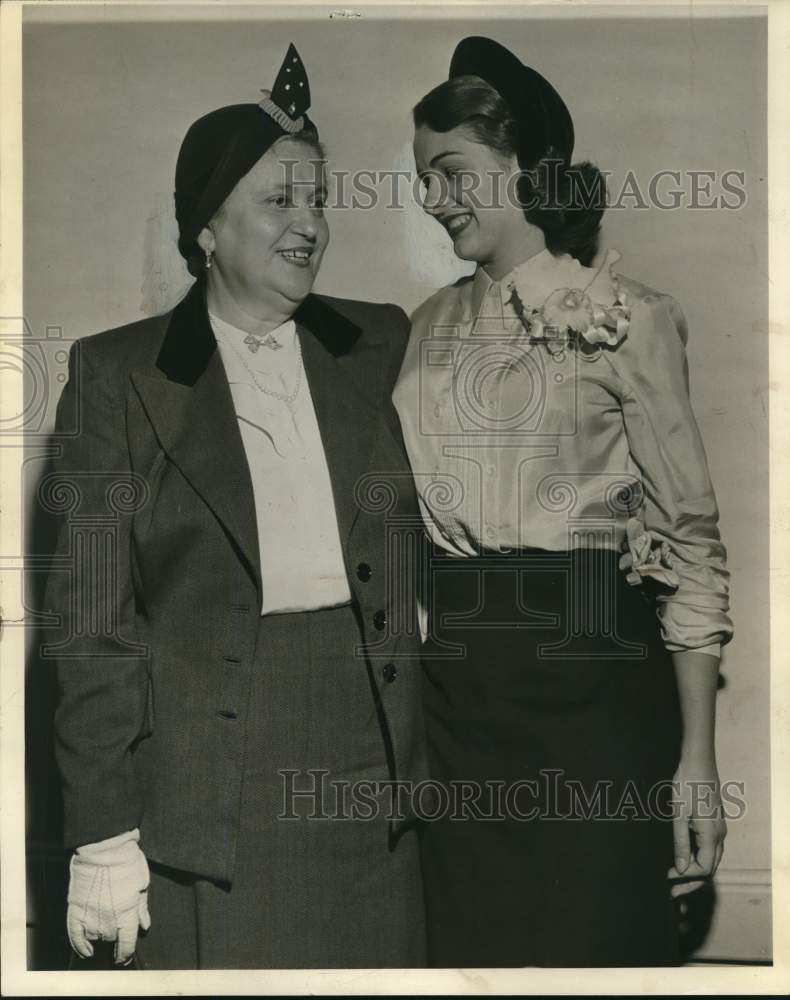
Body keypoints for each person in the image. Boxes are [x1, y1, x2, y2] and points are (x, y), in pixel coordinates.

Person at [45, 44, 428, 970]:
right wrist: (102, 836)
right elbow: (92, 624)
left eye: (319, 199)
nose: (310, 224)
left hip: (375, 762)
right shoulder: (116, 375)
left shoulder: (379, 341)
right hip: (213, 782)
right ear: (208, 229)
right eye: (279, 200)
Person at [392, 36, 733, 968]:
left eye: (452, 173)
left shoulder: (633, 315)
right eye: (422, 179)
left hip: (596, 696)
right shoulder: (418, 333)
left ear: (521, 169)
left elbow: (693, 544)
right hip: (459, 700)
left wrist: (695, 763)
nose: (432, 199)